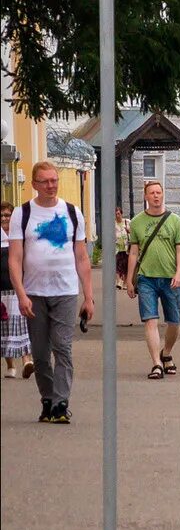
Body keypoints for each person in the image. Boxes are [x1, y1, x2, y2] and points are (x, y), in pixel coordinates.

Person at [10, 162, 94, 424]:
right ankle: (47, 398)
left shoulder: (72, 212)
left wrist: (88, 297)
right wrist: (21, 294)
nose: (51, 186)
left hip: (65, 291)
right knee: (40, 353)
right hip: (34, 292)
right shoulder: (22, 214)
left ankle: (60, 403)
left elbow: (81, 257)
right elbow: (14, 259)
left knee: (63, 348)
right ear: (34, 184)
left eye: (54, 180)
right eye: (45, 181)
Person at [128, 180, 180, 380]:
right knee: (150, 320)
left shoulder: (175, 221)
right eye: (152, 193)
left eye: (159, 192)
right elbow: (134, 252)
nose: (155, 196)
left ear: (163, 195)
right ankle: (156, 364)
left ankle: (167, 352)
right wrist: (129, 280)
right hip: (146, 278)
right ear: (145, 197)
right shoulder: (137, 222)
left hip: (170, 278)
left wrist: (179, 273)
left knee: (174, 322)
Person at [2, 204, 29, 380]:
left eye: (7, 215)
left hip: (18, 287)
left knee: (21, 325)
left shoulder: (19, 236)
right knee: (4, 328)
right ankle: (11, 365)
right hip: (1, 289)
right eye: (1, 215)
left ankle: (27, 362)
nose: (4, 218)